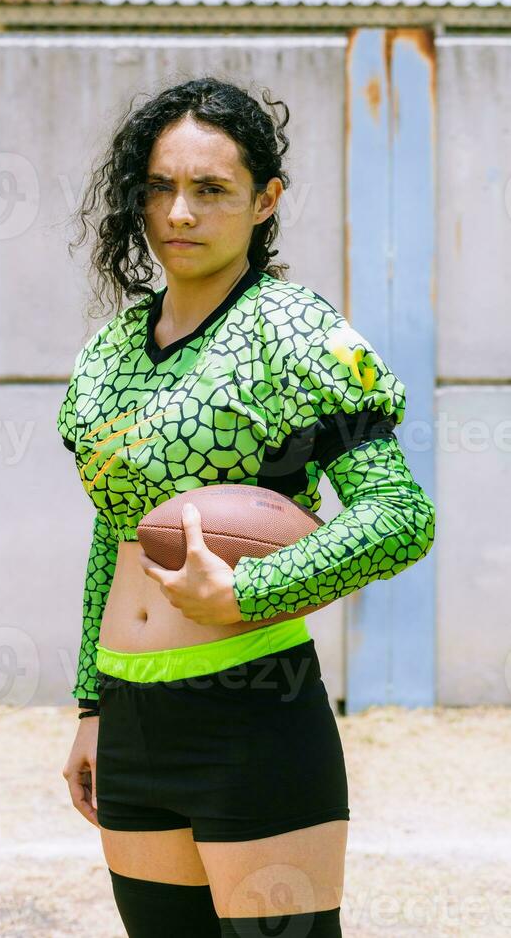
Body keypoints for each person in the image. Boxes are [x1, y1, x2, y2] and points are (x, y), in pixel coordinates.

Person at [58, 77, 435, 938]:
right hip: (133, 716)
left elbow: (399, 516)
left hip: (252, 708)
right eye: (160, 187)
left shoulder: (294, 335)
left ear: (265, 201)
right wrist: (91, 708)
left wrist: (247, 595)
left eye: (211, 190)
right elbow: (115, 538)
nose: (179, 212)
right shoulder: (112, 354)